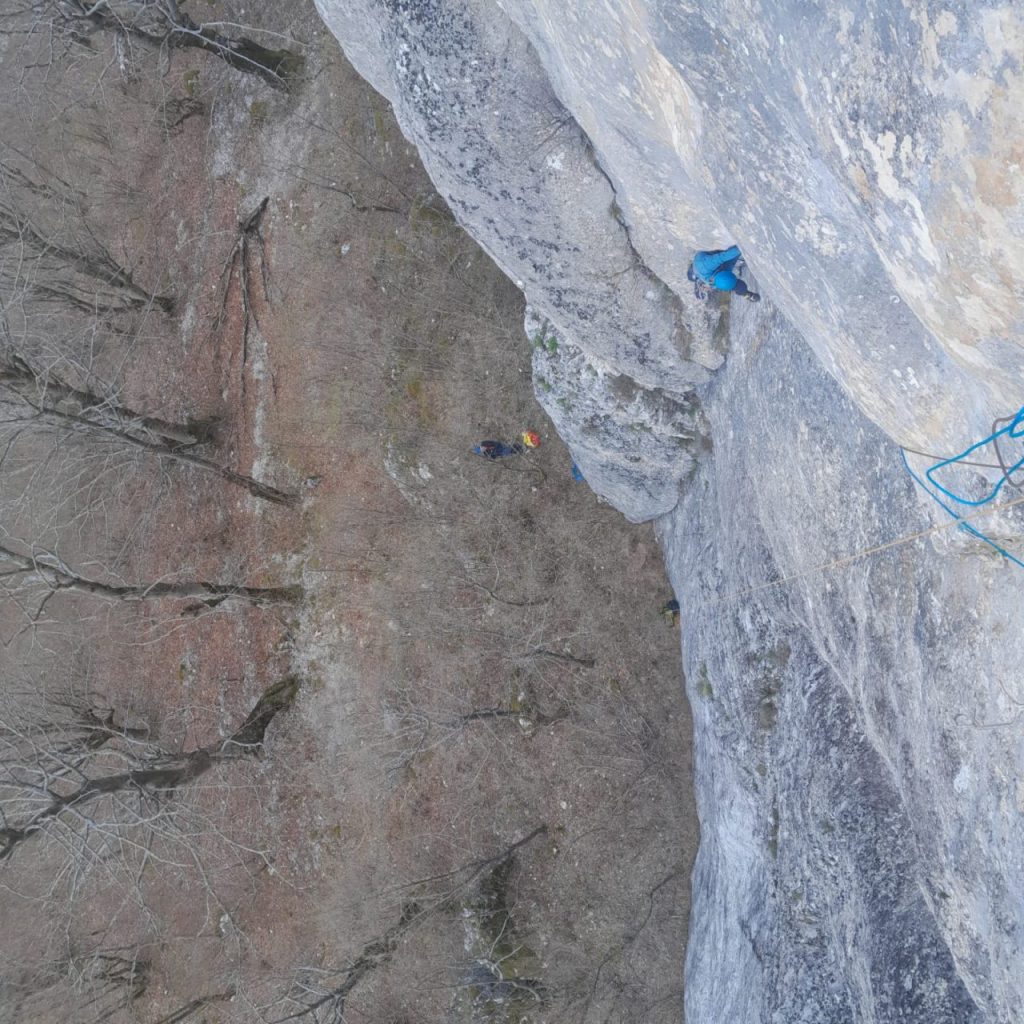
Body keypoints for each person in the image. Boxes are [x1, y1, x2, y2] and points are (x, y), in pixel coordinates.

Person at [687, 245, 760, 301]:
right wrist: (742, 248)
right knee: (692, 278)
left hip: (703, 264)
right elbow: (725, 259)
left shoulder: (708, 266)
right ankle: (745, 294)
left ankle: (745, 293)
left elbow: (723, 257)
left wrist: (741, 248)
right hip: (700, 269)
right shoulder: (708, 269)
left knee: (692, 276)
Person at [473, 431, 541, 459]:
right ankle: (522, 449)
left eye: (481, 448)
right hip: (501, 452)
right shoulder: (486, 453)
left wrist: (494, 448)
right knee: (510, 451)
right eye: (481, 450)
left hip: (500, 446)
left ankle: (522, 446)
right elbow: (493, 457)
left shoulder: (484, 443)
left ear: (480, 446)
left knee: (510, 448)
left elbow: (493, 443)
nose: (483, 449)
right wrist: (494, 455)